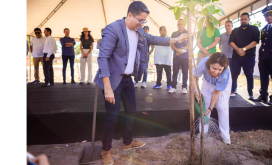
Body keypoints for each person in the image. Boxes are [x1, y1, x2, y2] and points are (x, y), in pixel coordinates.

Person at [93, 1, 188, 164]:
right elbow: (102, 58)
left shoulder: (139, 31)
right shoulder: (113, 29)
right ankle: (106, 150)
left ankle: (128, 142)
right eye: (140, 20)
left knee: (131, 110)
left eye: (144, 21)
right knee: (112, 116)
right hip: (113, 80)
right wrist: (107, 88)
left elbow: (154, 38)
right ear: (130, 15)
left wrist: (176, 38)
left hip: (127, 79)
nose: (142, 24)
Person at [192, 53, 232, 145]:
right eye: (214, 68)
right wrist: (196, 90)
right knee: (205, 105)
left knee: (222, 107)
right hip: (207, 81)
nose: (216, 72)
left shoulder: (224, 74)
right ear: (209, 64)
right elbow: (194, 76)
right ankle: (203, 131)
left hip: (222, 87)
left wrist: (211, 108)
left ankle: (225, 135)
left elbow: (215, 92)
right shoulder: (204, 62)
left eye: (220, 70)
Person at [254, 6, 272, 105]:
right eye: (266, 16)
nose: (269, 17)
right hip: (263, 57)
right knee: (263, 77)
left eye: (271, 15)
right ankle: (263, 95)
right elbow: (263, 43)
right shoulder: (264, 29)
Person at [229, 12, 260, 100]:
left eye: (245, 19)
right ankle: (232, 91)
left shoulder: (254, 29)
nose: (243, 21)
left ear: (249, 19)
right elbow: (231, 42)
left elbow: (256, 41)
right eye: (242, 19)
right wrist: (238, 49)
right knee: (234, 75)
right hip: (236, 57)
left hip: (249, 57)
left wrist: (243, 49)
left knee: (249, 75)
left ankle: (250, 94)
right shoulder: (235, 30)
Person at [169, 19, 189, 94]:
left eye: (181, 24)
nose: (180, 26)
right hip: (176, 56)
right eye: (179, 24)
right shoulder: (174, 33)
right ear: (177, 25)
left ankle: (184, 87)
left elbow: (189, 44)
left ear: (184, 24)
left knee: (185, 72)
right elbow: (171, 44)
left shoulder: (188, 33)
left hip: (185, 56)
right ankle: (173, 87)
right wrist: (177, 50)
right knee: (175, 72)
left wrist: (181, 51)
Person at [220, 21, 237, 96]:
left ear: (232, 26)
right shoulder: (222, 35)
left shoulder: (236, 34)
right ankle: (222, 88)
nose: (227, 27)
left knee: (234, 74)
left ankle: (233, 90)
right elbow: (220, 45)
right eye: (226, 26)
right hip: (224, 57)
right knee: (223, 73)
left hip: (234, 57)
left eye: (229, 25)